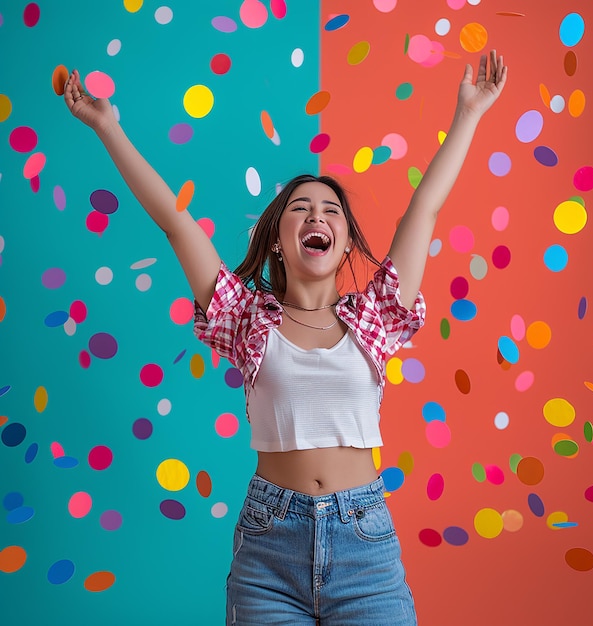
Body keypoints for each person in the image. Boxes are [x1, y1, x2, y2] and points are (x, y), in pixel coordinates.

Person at [64, 49, 506, 625]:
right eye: (301, 208)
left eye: (331, 211)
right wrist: (107, 127)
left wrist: (468, 114)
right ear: (279, 239)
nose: (316, 215)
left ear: (344, 242)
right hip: (269, 546)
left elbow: (422, 211)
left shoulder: (376, 314)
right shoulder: (247, 317)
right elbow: (175, 222)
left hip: (363, 545)